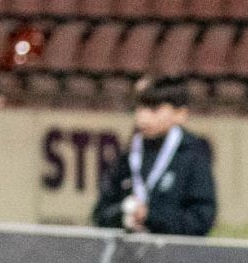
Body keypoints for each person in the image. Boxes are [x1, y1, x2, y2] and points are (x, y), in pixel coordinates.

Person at [92, 75, 217, 236]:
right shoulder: (129, 154)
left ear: (180, 114)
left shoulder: (193, 155)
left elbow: (201, 220)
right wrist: (124, 215)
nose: (143, 117)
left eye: (154, 109)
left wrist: (150, 216)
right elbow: (100, 214)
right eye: (140, 108)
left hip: (175, 251)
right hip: (129, 250)